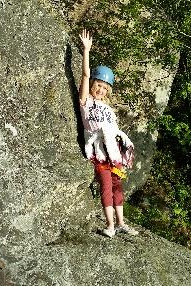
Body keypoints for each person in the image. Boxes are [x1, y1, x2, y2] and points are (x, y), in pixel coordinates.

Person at [78, 29, 137, 238]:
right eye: (98, 85)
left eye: (104, 87)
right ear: (93, 85)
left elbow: (114, 132)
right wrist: (87, 51)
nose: (101, 90)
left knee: (117, 186)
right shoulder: (87, 102)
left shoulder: (108, 109)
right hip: (99, 152)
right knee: (105, 185)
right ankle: (110, 225)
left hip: (113, 152)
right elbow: (85, 75)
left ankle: (121, 222)